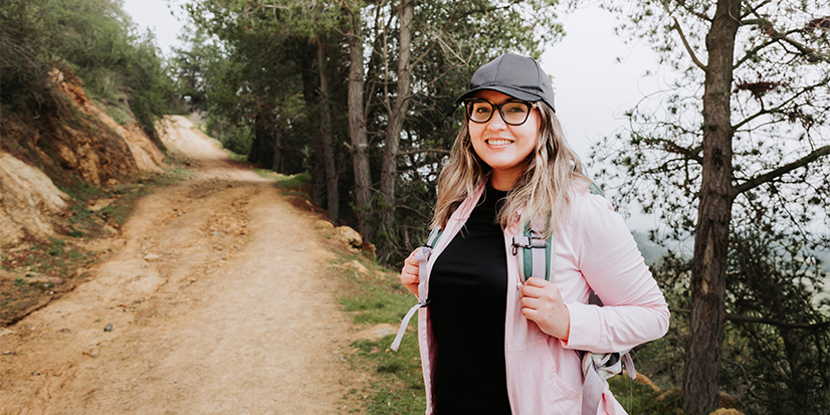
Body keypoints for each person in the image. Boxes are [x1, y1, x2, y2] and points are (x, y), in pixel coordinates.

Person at [397, 53, 670, 414]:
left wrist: (569, 320)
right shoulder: (459, 198)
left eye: (514, 110)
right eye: (482, 109)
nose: (495, 125)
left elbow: (653, 314)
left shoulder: (577, 207)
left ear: (543, 120)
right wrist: (431, 278)